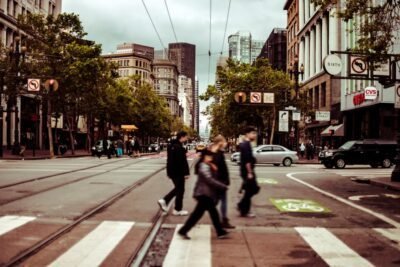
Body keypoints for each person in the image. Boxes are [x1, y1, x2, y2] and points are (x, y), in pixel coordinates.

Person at [178, 149, 229, 240]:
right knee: (205, 214)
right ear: (205, 157)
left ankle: (220, 231)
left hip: (205, 194)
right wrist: (222, 186)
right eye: (209, 156)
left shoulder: (207, 165)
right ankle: (220, 231)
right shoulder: (204, 166)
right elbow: (209, 179)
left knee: (205, 214)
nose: (211, 158)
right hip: (204, 194)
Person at [158, 131, 190, 216]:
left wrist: (169, 172)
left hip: (172, 171)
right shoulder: (178, 147)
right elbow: (182, 162)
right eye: (186, 137)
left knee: (178, 189)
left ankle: (166, 201)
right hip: (178, 172)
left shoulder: (172, 146)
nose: (187, 138)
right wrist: (186, 173)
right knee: (180, 190)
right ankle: (176, 209)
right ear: (182, 137)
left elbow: (170, 161)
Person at [210, 135, 235, 229]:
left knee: (214, 202)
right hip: (220, 182)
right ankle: (224, 220)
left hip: (219, 182)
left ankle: (223, 220)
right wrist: (222, 182)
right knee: (218, 202)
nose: (226, 143)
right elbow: (217, 169)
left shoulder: (218, 152)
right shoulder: (217, 154)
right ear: (220, 142)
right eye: (224, 141)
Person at [237, 126, 259, 218]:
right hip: (247, 171)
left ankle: (243, 207)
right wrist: (249, 172)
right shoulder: (246, 145)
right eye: (253, 133)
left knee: (251, 190)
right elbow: (247, 161)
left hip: (246, 171)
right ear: (247, 134)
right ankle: (243, 208)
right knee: (252, 189)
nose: (255, 135)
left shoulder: (246, 144)